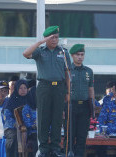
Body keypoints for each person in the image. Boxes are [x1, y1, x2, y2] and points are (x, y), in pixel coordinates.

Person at [23, 25, 71, 157]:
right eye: (51, 37)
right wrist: (40, 42)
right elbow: (25, 53)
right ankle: (43, 148)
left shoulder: (63, 52)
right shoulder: (40, 51)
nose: (55, 40)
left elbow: (67, 73)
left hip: (59, 87)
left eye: (56, 37)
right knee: (43, 118)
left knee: (57, 118)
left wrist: (68, 92)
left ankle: (55, 147)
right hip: (44, 86)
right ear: (46, 39)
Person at [63, 44, 94, 157]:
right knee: (69, 137)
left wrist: (92, 108)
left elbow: (91, 90)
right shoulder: (67, 70)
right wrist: (63, 108)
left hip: (84, 106)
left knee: (82, 138)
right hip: (71, 106)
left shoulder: (89, 71)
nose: (80, 57)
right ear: (72, 56)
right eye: (77, 55)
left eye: (82, 54)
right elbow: (63, 90)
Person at [2, 80, 29, 157]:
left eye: (25, 88)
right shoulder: (10, 101)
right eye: (20, 88)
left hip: (27, 127)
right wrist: (17, 124)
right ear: (16, 89)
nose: (23, 90)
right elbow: (7, 117)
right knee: (14, 138)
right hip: (12, 128)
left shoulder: (31, 101)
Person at [22, 86, 38, 157]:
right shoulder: (27, 108)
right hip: (32, 132)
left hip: (43, 131)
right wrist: (35, 126)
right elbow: (27, 123)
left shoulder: (42, 107)